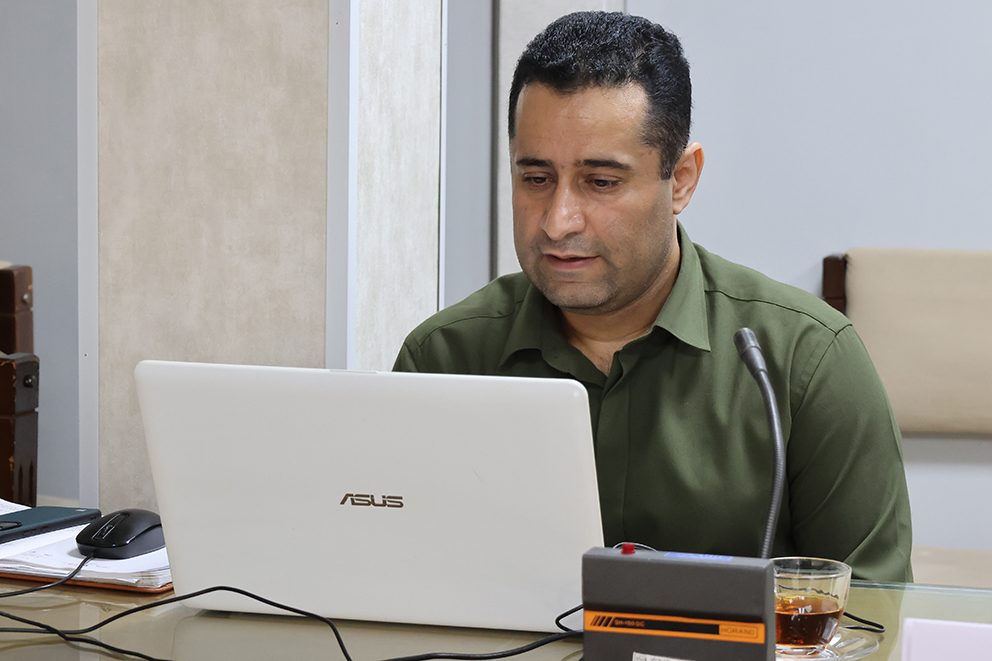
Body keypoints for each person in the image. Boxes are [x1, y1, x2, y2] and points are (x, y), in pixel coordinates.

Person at [394, 11, 912, 582]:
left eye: (601, 182)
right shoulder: (443, 360)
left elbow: (871, 611)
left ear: (681, 180)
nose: (558, 221)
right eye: (535, 179)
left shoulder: (806, 363)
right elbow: (397, 582)